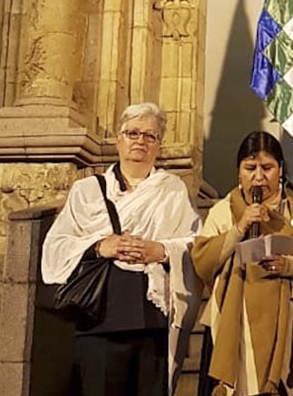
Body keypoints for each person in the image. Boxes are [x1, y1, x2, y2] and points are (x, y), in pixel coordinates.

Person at [42, 102, 203, 395]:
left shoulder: (172, 190)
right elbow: (57, 246)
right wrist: (100, 246)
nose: (141, 141)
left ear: (158, 145)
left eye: (150, 136)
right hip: (100, 318)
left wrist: (162, 250)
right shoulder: (87, 191)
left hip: (153, 320)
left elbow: (196, 243)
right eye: (133, 133)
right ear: (119, 140)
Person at [191, 131, 293, 396]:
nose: (258, 177)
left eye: (267, 168)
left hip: (290, 318)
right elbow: (202, 261)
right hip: (236, 318)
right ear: (239, 172)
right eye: (250, 168)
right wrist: (240, 227)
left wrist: (289, 266)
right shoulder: (224, 209)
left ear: (281, 170)